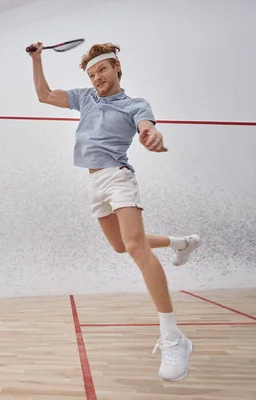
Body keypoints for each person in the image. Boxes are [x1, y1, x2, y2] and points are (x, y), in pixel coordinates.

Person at [27, 41, 201, 381]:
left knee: (135, 247)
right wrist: (36, 59)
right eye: (91, 74)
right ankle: (181, 242)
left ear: (117, 67)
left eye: (102, 70)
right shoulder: (85, 98)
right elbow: (44, 95)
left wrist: (151, 136)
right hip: (93, 184)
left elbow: (147, 125)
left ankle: (173, 338)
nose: (97, 78)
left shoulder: (134, 104)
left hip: (118, 178)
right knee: (123, 245)